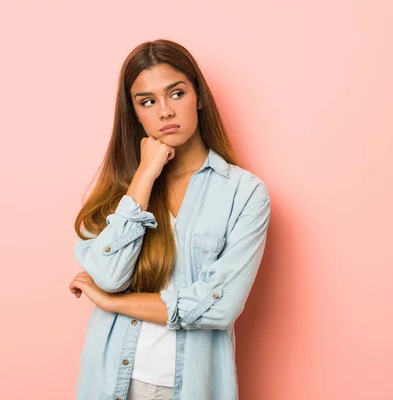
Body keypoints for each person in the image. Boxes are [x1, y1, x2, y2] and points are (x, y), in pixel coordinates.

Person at [68, 39, 272, 400]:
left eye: (175, 94)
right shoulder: (119, 192)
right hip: (112, 382)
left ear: (199, 96)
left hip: (191, 387)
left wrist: (113, 303)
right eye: (147, 101)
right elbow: (111, 276)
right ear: (135, 113)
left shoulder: (244, 194)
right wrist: (145, 175)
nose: (164, 111)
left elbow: (220, 307)